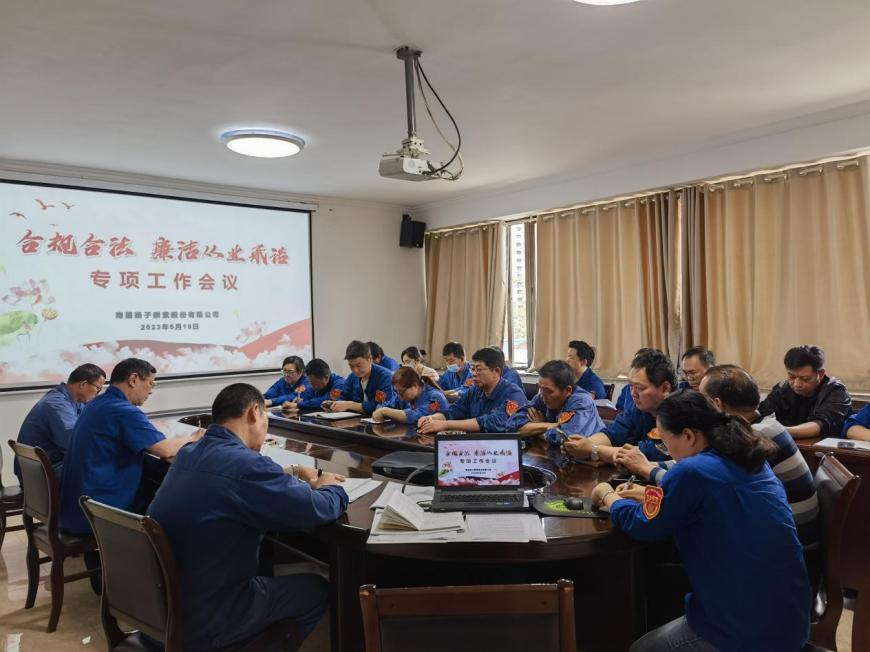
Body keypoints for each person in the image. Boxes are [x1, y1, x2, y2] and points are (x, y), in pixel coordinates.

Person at [593, 390, 811, 652]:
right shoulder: (747, 455)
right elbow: (709, 498)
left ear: (689, 436)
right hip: (790, 617)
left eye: (666, 442)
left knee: (642, 648)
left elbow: (643, 525)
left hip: (746, 631)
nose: (667, 450)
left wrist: (608, 497)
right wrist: (652, 494)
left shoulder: (693, 471)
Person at [148, 383, 347, 651]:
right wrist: (330, 486)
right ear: (254, 412)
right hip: (210, 618)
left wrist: (293, 471)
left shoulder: (189, 453)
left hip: (164, 611)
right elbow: (316, 509)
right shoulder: (246, 465)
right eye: (266, 421)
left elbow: (233, 480)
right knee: (316, 589)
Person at [615, 364, 820, 548]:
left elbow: (694, 479)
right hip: (780, 535)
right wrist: (648, 467)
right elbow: (696, 473)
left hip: (791, 540)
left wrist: (646, 470)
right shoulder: (764, 425)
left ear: (716, 404)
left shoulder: (751, 437)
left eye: (700, 398)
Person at [59, 358, 203, 534]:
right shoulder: (122, 410)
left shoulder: (98, 403)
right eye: (150, 384)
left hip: (77, 507)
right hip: (97, 512)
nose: (151, 391)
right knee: (177, 503)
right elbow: (164, 449)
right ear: (133, 379)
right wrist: (195, 436)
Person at [564, 348, 675, 463]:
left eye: (640, 388)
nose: (633, 393)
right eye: (631, 386)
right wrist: (582, 444)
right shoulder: (639, 408)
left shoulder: (678, 412)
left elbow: (648, 453)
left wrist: (593, 450)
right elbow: (614, 433)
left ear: (665, 388)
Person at [13, 363, 106, 483]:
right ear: (83, 384)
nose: (97, 394)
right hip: (42, 475)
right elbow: (75, 444)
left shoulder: (75, 402)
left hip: (47, 467)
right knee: (109, 471)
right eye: (98, 389)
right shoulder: (56, 404)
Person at [418, 347, 527, 434]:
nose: (474, 374)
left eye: (478, 369)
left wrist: (445, 425)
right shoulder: (474, 391)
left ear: (496, 371)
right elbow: (453, 411)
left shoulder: (514, 393)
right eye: (472, 369)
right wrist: (431, 418)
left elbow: (496, 422)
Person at [759, 345, 852, 439]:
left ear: (821, 374)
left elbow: (821, 424)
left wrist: (778, 431)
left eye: (805, 379)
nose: (796, 384)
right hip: (785, 440)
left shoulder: (836, 391)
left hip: (821, 445)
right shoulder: (782, 389)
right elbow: (763, 414)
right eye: (792, 377)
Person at [508, 360, 604, 442]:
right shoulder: (541, 397)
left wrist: (534, 428)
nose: (542, 396)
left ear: (568, 390)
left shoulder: (582, 402)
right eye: (540, 389)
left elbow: (566, 439)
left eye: (549, 391)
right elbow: (512, 426)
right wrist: (549, 425)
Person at [322, 340, 395, 415]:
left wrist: (350, 405)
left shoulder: (385, 376)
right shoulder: (352, 377)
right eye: (351, 366)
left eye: (359, 365)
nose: (355, 370)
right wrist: (334, 404)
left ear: (370, 359)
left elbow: (383, 407)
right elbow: (344, 396)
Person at [371, 367, 449, 424]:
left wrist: (385, 411)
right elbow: (387, 405)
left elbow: (417, 416)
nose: (399, 396)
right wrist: (380, 410)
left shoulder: (435, 397)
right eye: (397, 392)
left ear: (414, 386)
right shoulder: (404, 396)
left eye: (402, 392)